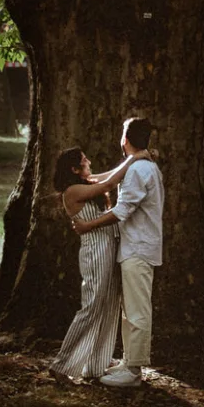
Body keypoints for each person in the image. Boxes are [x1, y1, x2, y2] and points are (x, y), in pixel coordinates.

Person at [68, 116, 162, 387]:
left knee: (137, 310)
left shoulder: (139, 171)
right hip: (135, 247)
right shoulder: (144, 167)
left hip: (138, 248)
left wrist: (87, 225)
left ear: (125, 140)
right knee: (130, 309)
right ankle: (128, 361)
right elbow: (106, 181)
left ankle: (133, 371)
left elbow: (121, 211)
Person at [44, 144, 129, 382]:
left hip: (109, 247)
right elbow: (110, 184)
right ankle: (62, 365)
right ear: (74, 169)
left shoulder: (86, 184)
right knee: (92, 305)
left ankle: (95, 365)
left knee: (110, 303)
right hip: (95, 251)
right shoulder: (72, 191)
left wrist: (132, 160)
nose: (89, 162)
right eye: (84, 160)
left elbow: (106, 177)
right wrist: (136, 159)